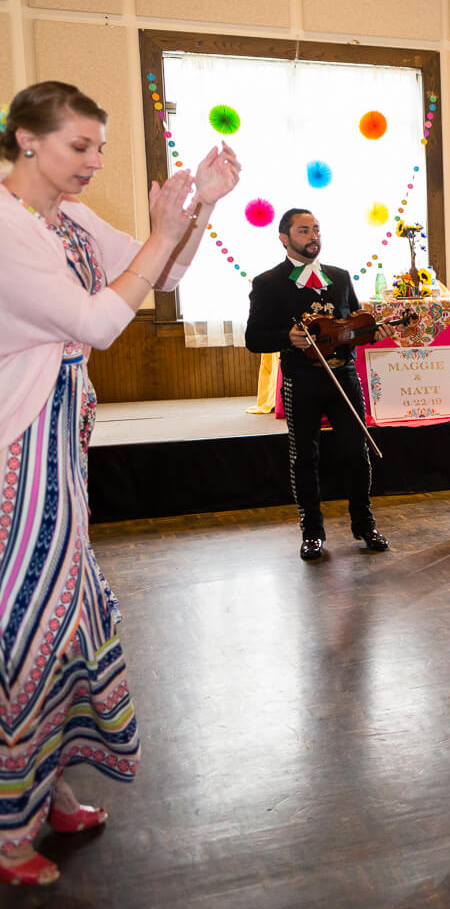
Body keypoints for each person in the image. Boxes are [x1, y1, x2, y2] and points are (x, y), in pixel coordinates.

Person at [0, 80, 239, 884]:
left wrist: (196, 209)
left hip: (57, 447)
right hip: (14, 456)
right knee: (23, 630)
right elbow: (101, 319)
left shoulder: (60, 219)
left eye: (99, 147)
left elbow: (159, 275)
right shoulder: (4, 228)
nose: (95, 162)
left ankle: (42, 788)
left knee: (63, 623)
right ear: (26, 141)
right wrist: (163, 230)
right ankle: (7, 830)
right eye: (80, 147)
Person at [246, 209, 391, 561]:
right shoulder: (267, 283)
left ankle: (364, 524)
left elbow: (352, 326)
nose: (313, 236)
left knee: (355, 452)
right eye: (303, 230)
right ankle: (312, 531)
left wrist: (371, 334)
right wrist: (287, 337)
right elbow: (254, 338)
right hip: (301, 379)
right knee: (305, 457)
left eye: (316, 229)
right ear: (284, 238)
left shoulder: (340, 277)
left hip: (344, 376)